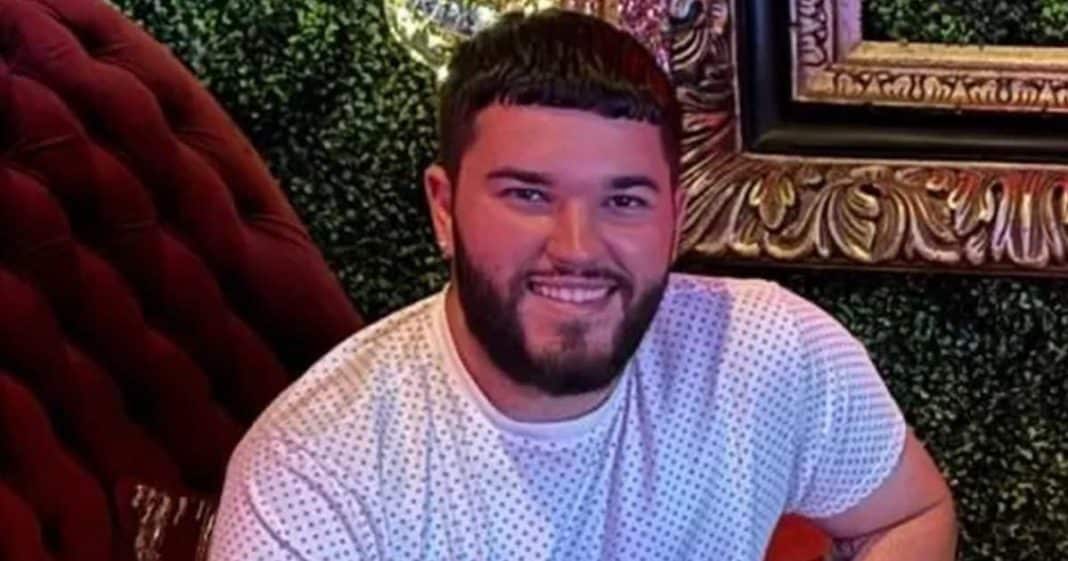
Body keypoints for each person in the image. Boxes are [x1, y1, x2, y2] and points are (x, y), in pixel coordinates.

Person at [208, 9, 957, 561]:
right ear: (444, 208)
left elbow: (909, 515)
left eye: (623, 200)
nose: (576, 247)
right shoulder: (312, 475)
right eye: (528, 194)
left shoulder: (765, 348)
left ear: (674, 218)